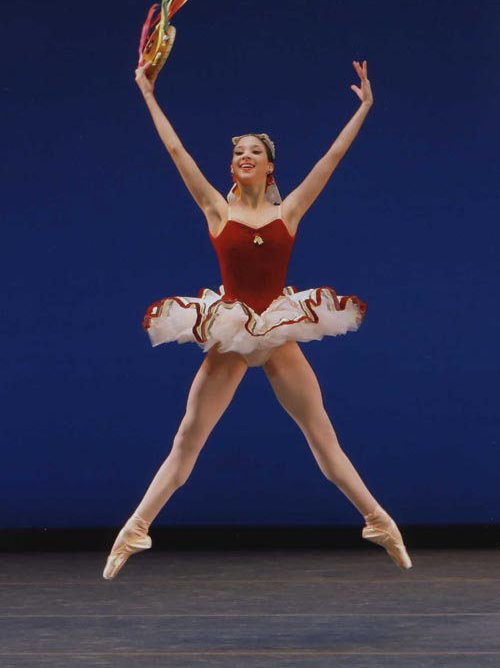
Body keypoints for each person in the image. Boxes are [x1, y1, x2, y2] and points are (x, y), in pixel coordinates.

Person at [103, 60, 412, 579]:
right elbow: (176, 150)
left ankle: (380, 521)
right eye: (238, 151)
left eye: (255, 151)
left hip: (278, 326)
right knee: (186, 442)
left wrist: (365, 108)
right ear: (232, 167)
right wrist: (147, 94)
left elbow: (332, 158)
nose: (244, 156)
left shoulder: (287, 212)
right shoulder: (216, 211)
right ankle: (133, 530)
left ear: (271, 167)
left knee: (323, 438)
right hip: (230, 330)